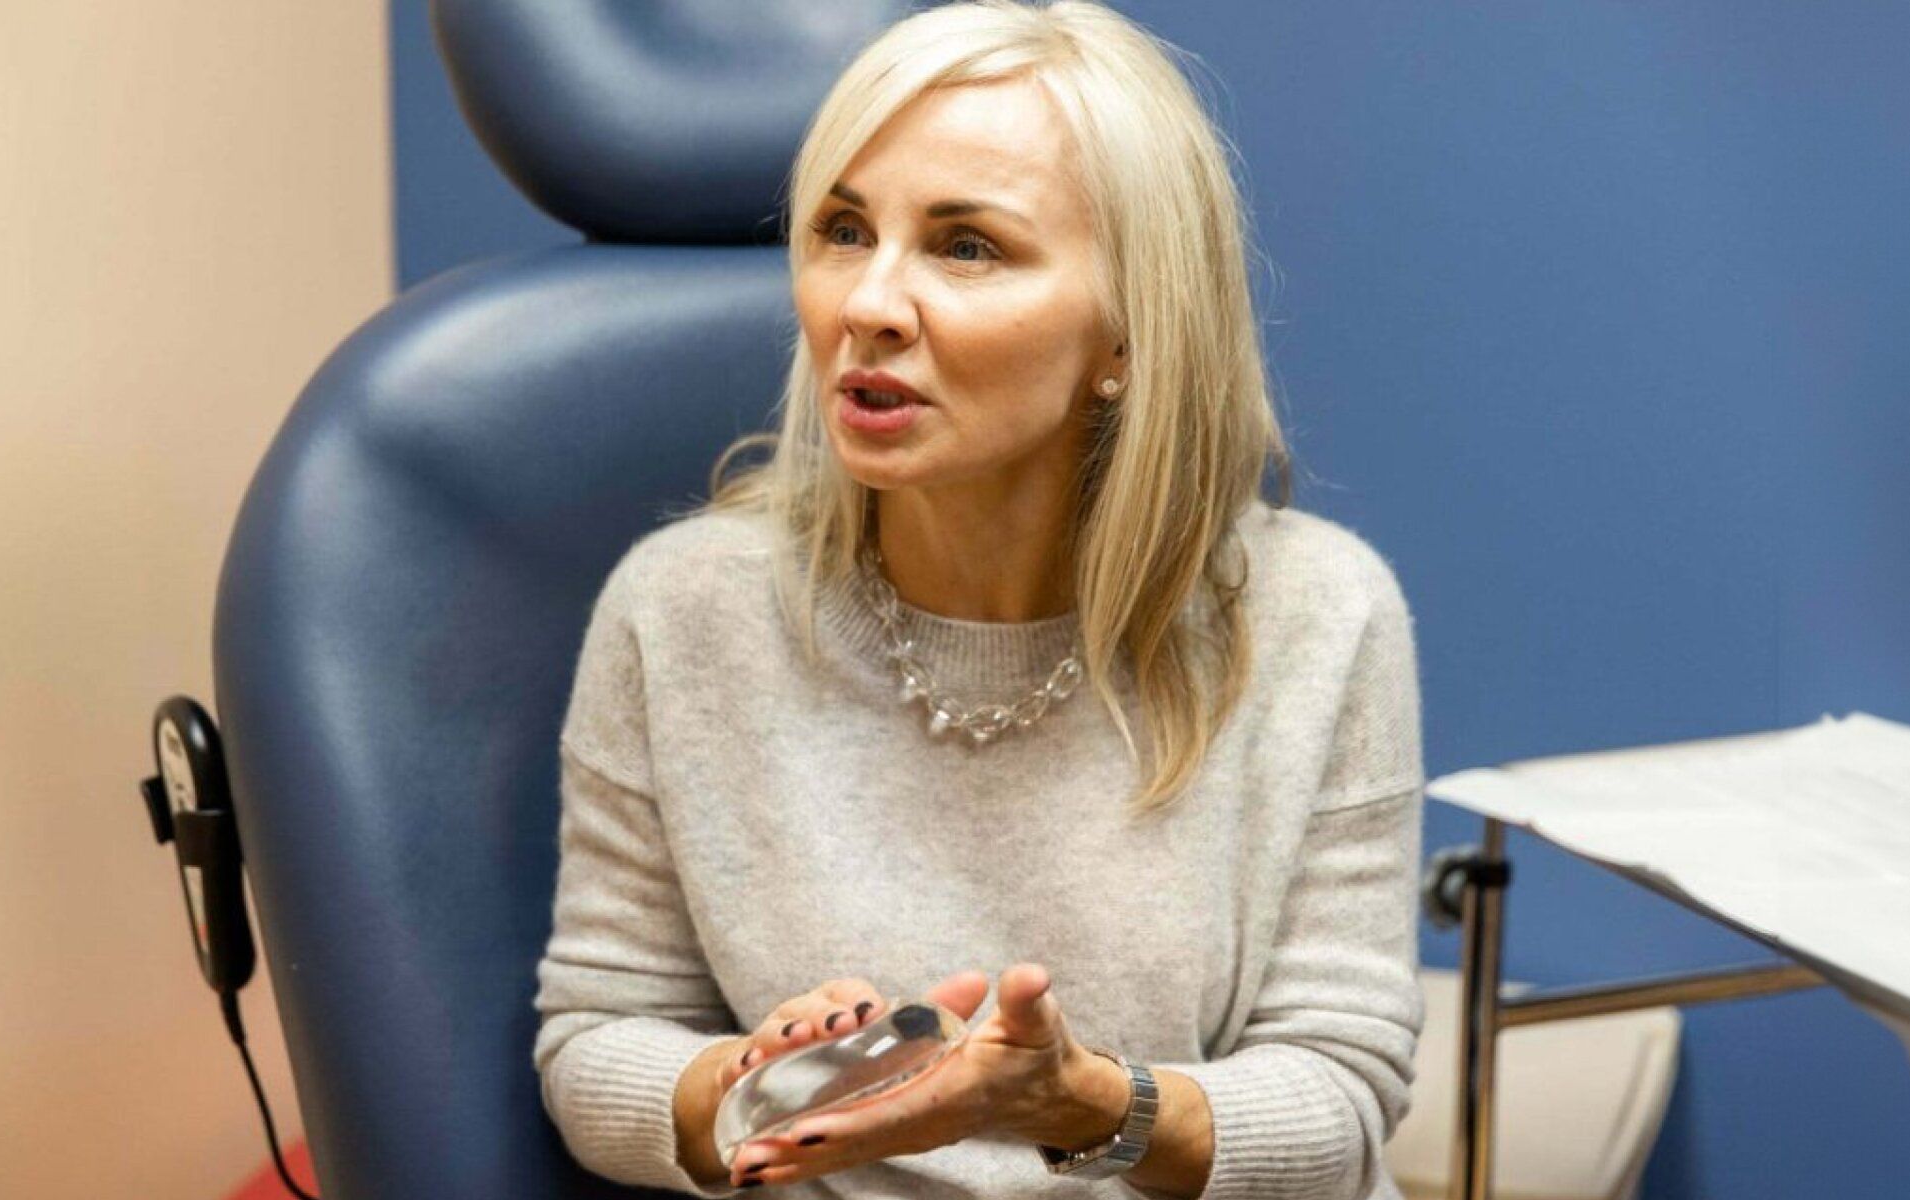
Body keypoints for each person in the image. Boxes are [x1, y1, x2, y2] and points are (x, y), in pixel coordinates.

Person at [532, 2, 1424, 1197]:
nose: (867, 306)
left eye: (965, 248)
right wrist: (757, 1083)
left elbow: (1341, 1095)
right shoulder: (681, 609)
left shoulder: (1320, 614)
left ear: (1126, 332)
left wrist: (1083, 1105)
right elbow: (595, 1038)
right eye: (844, 230)